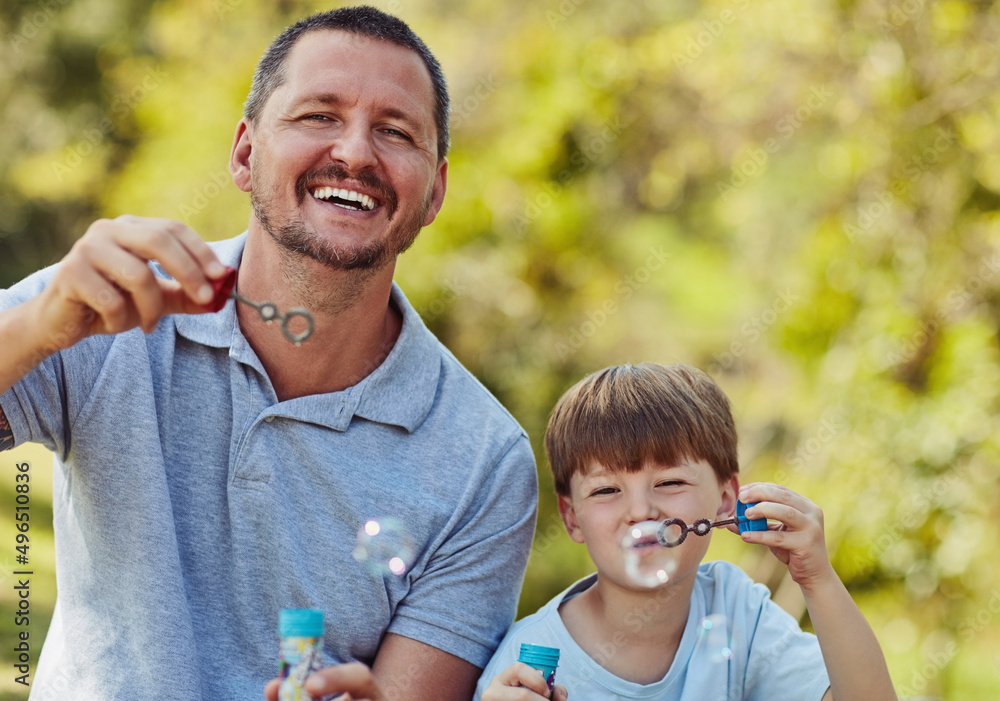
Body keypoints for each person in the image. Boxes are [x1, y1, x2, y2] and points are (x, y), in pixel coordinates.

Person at [0, 7, 538, 701]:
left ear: (433, 191)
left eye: (395, 131)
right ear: (245, 154)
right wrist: (40, 327)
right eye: (318, 115)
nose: (356, 153)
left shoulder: (485, 462)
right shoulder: (109, 309)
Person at [475, 363, 897, 701]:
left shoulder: (736, 610)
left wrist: (817, 579)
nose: (641, 510)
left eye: (671, 482)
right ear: (571, 518)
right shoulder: (528, 663)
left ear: (727, 500)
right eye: (606, 490)